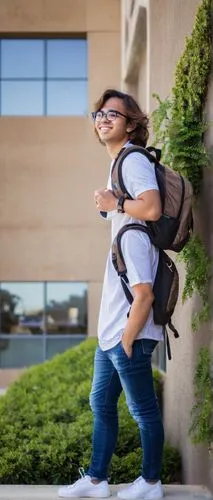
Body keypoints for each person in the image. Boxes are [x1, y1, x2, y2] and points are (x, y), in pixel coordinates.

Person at [58, 89, 164, 499]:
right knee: (100, 402)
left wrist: (114, 200)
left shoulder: (133, 159)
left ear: (131, 122)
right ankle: (98, 480)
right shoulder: (118, 164)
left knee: (142, 411)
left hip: (128, 327)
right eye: (98, 113)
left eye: (113, 113)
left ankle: (151, 483)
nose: (103, 118)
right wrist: (111, 201)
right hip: (112, 327)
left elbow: (151, 208)